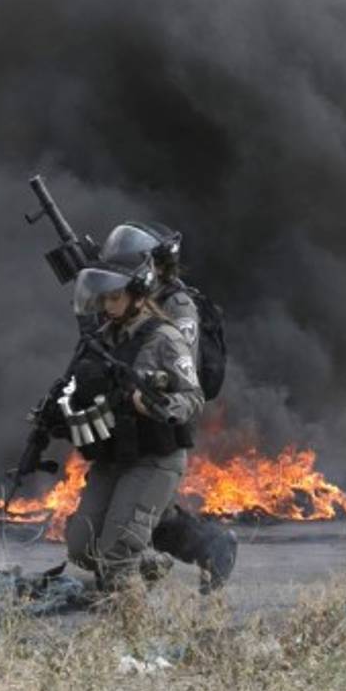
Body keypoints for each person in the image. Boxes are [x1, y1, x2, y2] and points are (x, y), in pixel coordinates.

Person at [99, 223, 237, 593]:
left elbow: (179, 368)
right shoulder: (125, 298)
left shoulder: (178, 306)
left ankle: (205, 547)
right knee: (139, 504)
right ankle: (199, 549)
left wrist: (143, 389)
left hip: (159, 413)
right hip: (127, 415)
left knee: (142, 505)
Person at [57, 252, 205, 589]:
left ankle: (129, 630)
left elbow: (193, 397)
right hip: (113, 455)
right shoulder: (103, 339)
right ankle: (147, 562)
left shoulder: (164, 338)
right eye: (104, 298)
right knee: (81, 546)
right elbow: (77, 386)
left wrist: (156, 404)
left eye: (115, 297)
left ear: (139, 295)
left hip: (153, 458)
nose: (108, 306)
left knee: (116, 556)